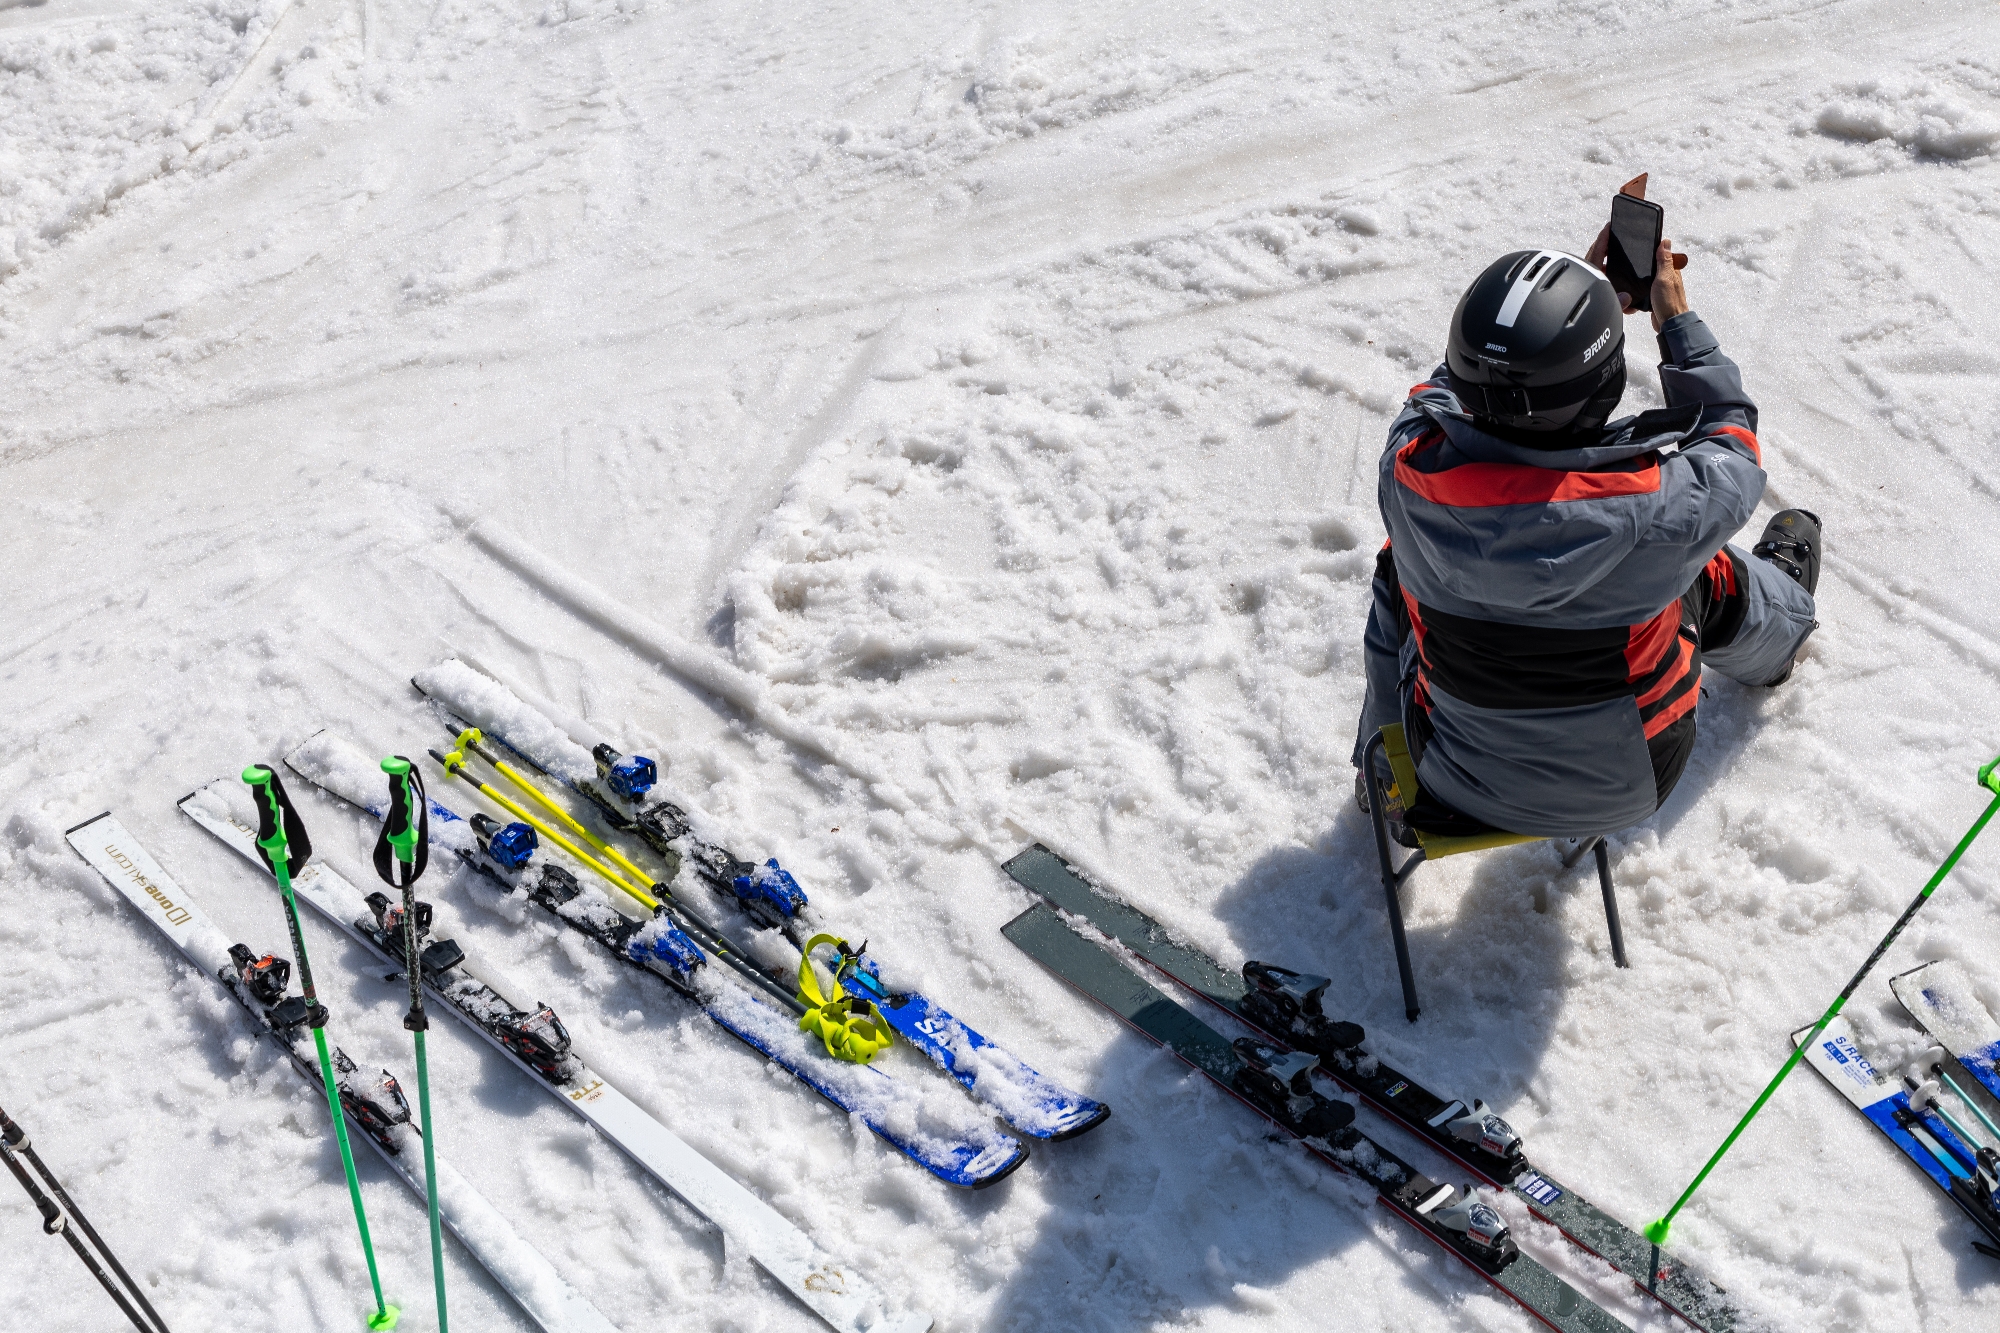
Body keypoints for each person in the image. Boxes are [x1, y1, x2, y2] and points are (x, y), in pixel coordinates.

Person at [1351, 224, 1820, 841]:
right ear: (1604, 385)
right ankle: (1780, 640)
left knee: (1397, 569)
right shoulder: (1654, 507)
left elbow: (1435, 394)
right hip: (1632, 782)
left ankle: (1381, 773)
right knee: (1699, 568)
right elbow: (1730, 439)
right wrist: (1674, 319)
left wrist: (1528, 337)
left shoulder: (1407, 471)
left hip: (1452, 775)